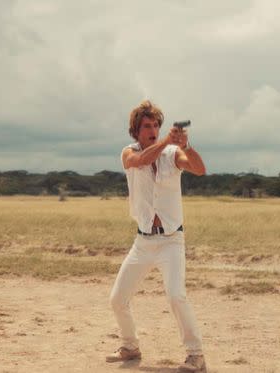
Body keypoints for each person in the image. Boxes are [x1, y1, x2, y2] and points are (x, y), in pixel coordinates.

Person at [106, 100, 207, 372]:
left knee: (176, 296)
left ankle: (196, 356)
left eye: (156, 125)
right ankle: (130, 346)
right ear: (136, 131)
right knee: (117, 299)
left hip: (171, 240)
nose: (152, 130)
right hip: (143, 241)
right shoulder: (129, 152)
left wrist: (185, 145)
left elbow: (199, 169)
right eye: (147, 126)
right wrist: (165, 141)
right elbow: (141, 160)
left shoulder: (172, 153)